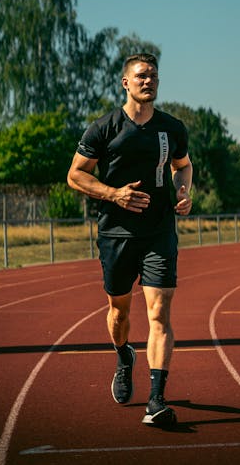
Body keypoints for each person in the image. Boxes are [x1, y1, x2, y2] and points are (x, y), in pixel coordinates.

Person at [67, 53, 193, 426]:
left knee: (159, 313)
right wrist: (113, 194)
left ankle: (156, 400)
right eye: (141, 76)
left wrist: (183, 191)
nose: (148, 81)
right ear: (125, 82)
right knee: (119, 312)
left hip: (158, 231)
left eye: (153, 75)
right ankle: (124, 355)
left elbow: (182, 166)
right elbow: (75, 175)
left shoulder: (172, 128)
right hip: (116, 232)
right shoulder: (104, 129)